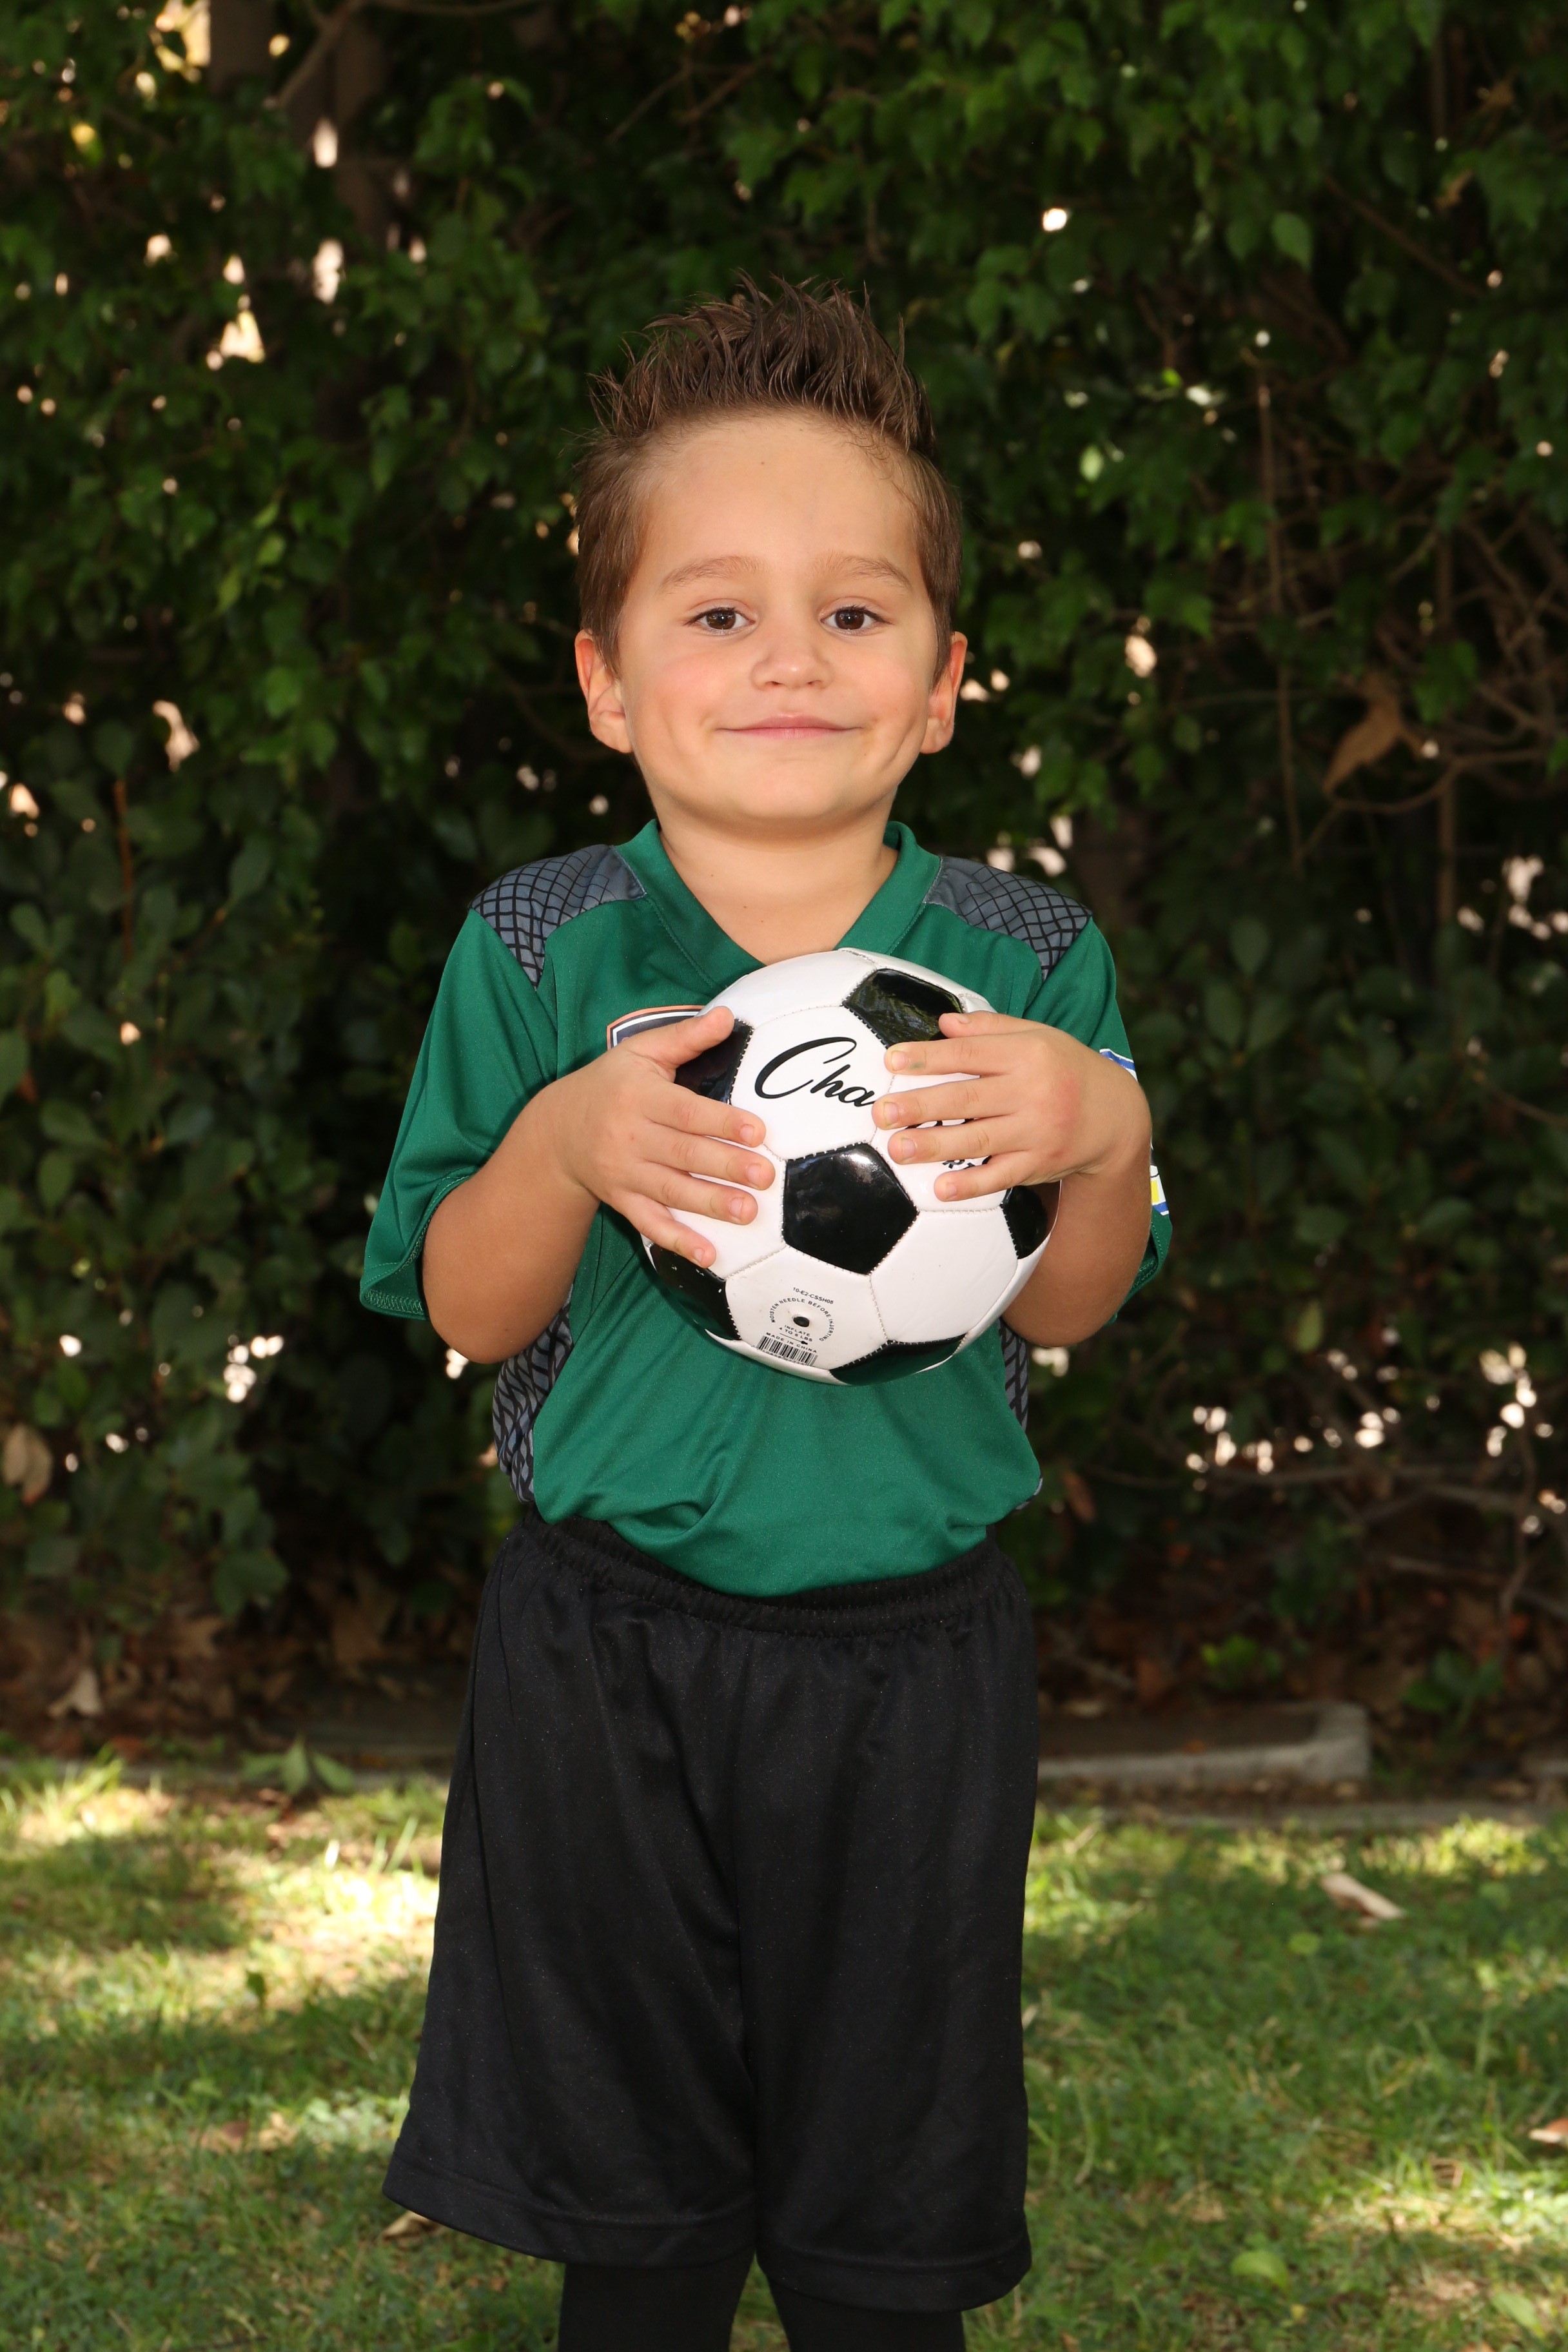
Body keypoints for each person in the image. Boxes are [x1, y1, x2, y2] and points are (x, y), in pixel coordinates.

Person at [360, 280, 1168, 2352]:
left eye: (855, 611)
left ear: (944, 684)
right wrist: (563, 1142)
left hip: (916, 1664)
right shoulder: (539, 946)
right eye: (718, 612)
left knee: (881, 2226)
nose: (791, 656)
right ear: (607, 681)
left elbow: (1076, 1305)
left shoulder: (1023, 959)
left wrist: (1108, 1131)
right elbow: (462, 1303)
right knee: (631, 2218)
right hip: (604, 1650)